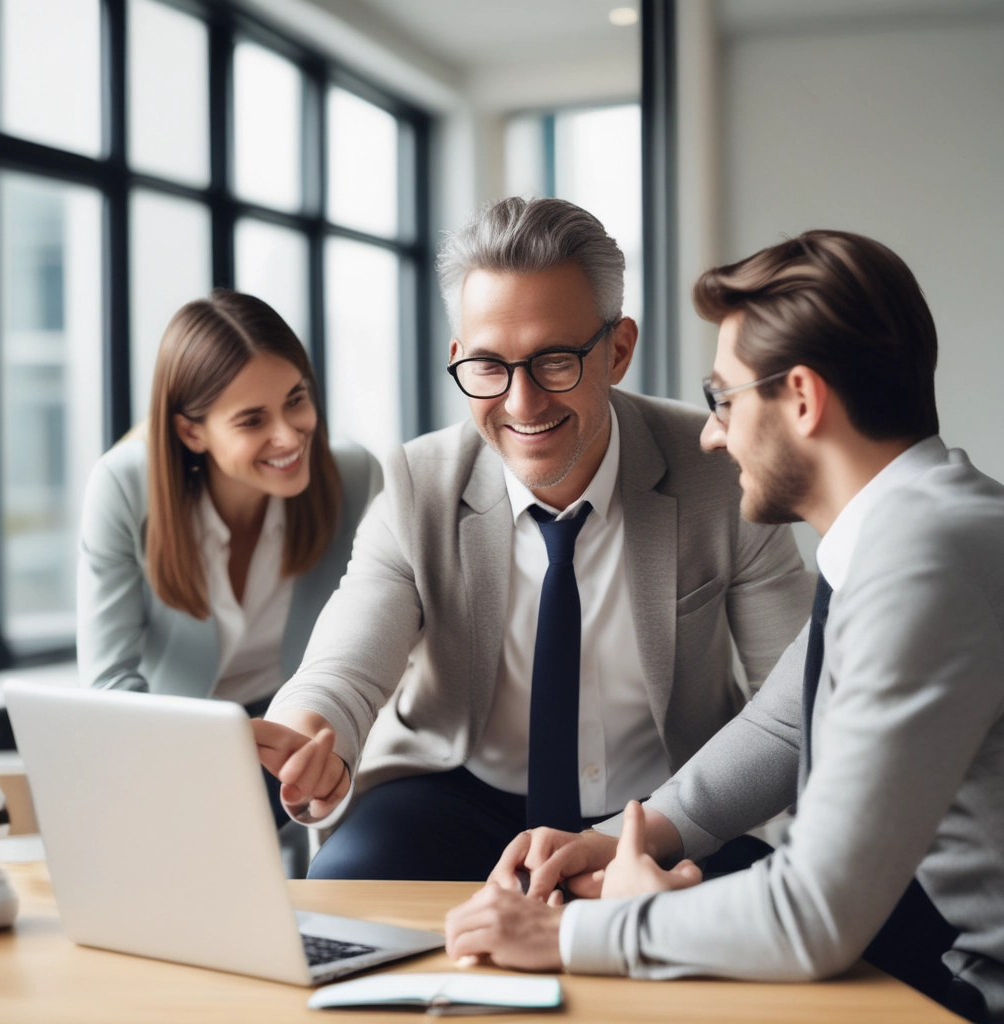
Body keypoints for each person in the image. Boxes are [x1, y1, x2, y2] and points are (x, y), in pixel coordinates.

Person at [445, 230, 1004, 1024]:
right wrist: (633, 834)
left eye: (724, 400)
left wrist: (583, 932)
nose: (712, 434)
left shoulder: (925, 562)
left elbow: (812, 916)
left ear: (803, 400)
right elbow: (785, 723)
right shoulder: (919, 524)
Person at [252, 197, 812, 881]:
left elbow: (797, 697)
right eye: (489, 366)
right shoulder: (414, 483)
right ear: (459, 358)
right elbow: (345, 666)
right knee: (345, 882)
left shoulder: (718, 473)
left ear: (618, 350)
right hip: (457, 796)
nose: (522, 405)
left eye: (553, 361)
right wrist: (313, 736)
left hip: (664, 804)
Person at [77, 289, 381, 829]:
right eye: (252, 420)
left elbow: (375, 641)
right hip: (171, 746)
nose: (289, 435)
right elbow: (107, 688)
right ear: (192, 431)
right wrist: (214, 741)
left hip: (304, 732)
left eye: (296, 399)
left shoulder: (353, 479)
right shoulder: (123, 486)